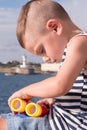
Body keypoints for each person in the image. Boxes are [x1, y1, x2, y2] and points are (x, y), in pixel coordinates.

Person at [0, 0, 87, 130]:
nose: (45, 59)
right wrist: (53, 99)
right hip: (64, 118)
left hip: (71, 123)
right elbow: (76, 88)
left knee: (4, 124)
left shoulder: (80, 42)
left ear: (55, 27)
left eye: (42, 51)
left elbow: (60, 85)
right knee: (7, 118)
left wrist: (25, 91)